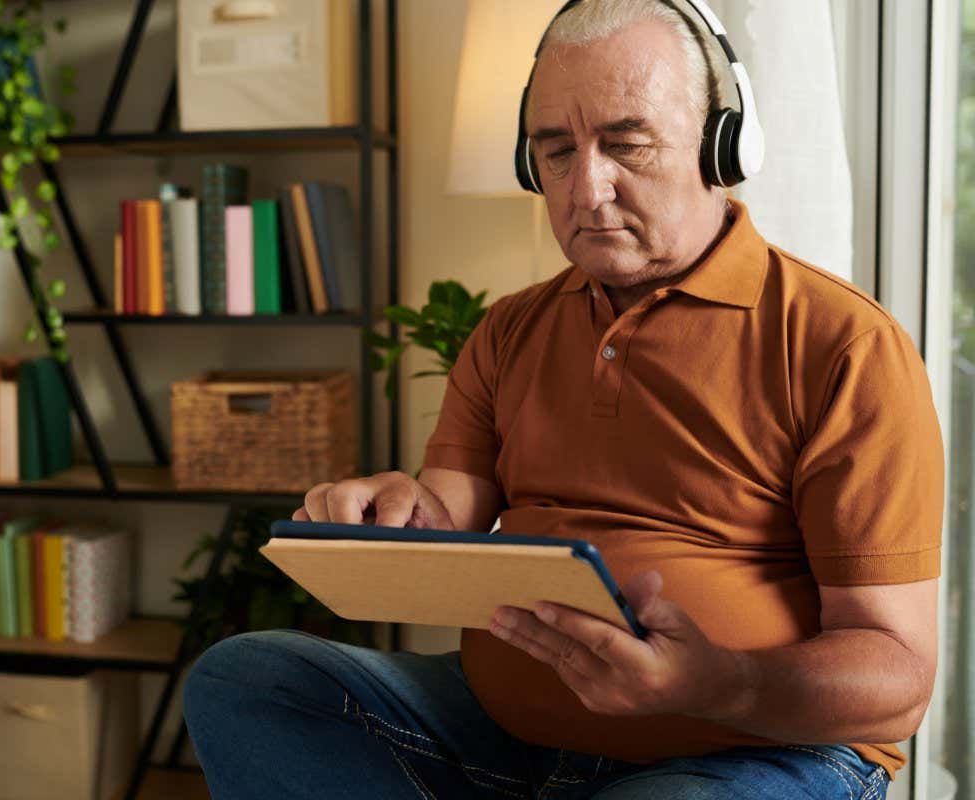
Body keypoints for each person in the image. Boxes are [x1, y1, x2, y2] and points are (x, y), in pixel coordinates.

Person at [182, 1, 942, 797]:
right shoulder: (510, 329)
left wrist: (719, 683)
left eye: (627, 144)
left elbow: (897, 677)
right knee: (246, 680)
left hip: (748, 749)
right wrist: (391, 512)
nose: (586, 188)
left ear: (723, 145)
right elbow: (444, 515)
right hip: (504, 735)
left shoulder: (842, 344)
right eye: (555, 150)